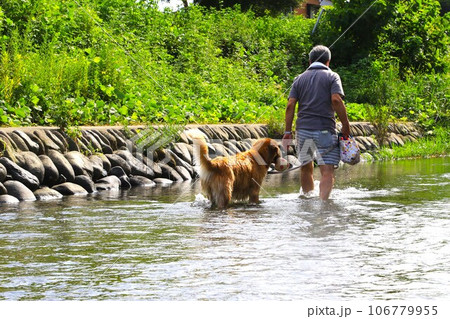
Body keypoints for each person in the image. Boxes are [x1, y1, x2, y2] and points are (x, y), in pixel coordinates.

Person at [282, 45, 350, 200]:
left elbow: (290, 105)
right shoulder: (332, 76)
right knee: (327, 170)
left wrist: (287, 132)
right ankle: (324, 206)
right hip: (325, 129)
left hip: (303, 130)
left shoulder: (299, 79)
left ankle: (307, 202)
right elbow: (336, 99)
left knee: (306, 168)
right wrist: (345, 125)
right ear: (328, 61)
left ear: (309, 61)